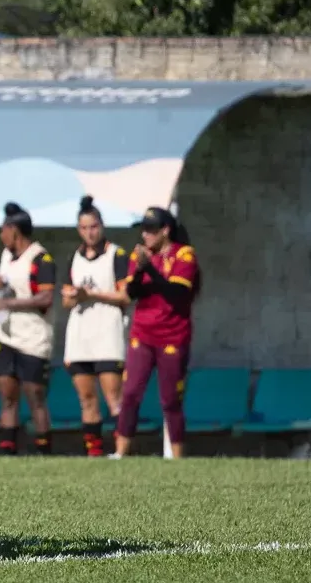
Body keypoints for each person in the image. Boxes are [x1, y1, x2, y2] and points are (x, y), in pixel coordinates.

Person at [112, 206, 200, 459]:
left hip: (173, 335)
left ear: (165, 230)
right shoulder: (139, 255)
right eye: (143, 230)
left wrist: (149, 268)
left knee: (170, 398)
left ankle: (177, 456)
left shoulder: (184, 254)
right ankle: (120, 453)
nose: (145, 236)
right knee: (129, 393)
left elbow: (177, 293)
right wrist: (140, 269)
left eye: (150, 230)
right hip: (143, 333)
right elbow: (130, 294)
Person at [61, 196, 129, 457]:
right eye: (84, 228)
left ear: (102, 226)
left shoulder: (116, 255)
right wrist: (74, 296)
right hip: (80, 337)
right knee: (86, 399)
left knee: (114, 398)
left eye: (94, 227)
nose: (90, 232)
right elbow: (66, 300)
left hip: (108, 336)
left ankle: (121, 450)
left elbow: (125, 296)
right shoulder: (75, 257)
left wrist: (93, 295)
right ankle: (95, 453)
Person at [0, 202, 57, 455]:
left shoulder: (41, 259)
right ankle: (8, 452)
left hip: (33, 339)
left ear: (14, 231)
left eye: (3, 230)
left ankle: (44, 451)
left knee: (35, 395)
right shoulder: (6, 256)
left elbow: (46, 298)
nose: (0, 236)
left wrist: (10, 302)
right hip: (5, 336)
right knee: (7, 393)